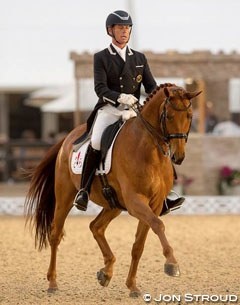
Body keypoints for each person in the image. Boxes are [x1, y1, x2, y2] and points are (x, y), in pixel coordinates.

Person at [74, 10, 184, 214]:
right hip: (110, 110)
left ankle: (166, 194)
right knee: (97, 140)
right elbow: (100, 88)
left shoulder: (139, 58)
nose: (124, 32)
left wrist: (166, 97)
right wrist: (120, 97)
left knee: (159, 140)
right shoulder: (102, 57)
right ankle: (84, 190)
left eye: (127, 28)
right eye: (120, 28)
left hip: (134, 112)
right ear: (110, 31)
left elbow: (152, 87)